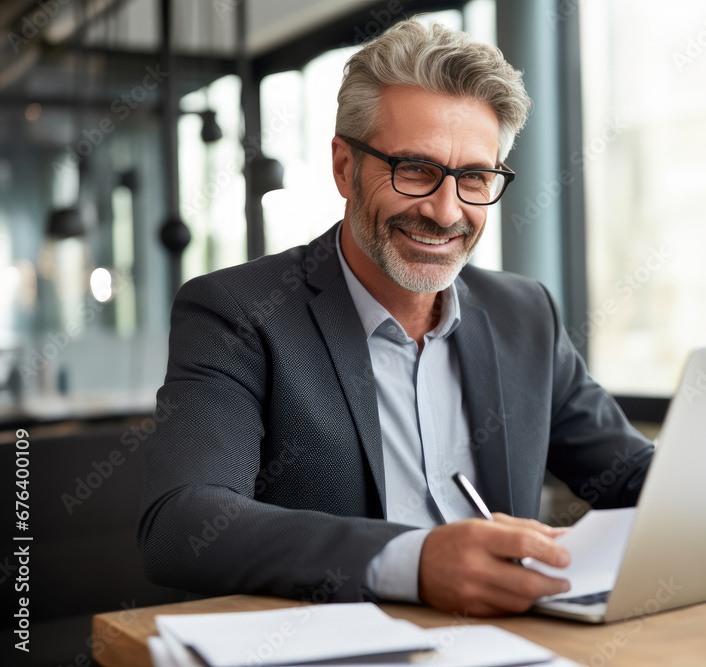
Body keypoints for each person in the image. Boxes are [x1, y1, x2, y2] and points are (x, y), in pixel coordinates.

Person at [137, 19, 653, 617]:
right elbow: (180, 524)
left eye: (476, 178)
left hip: (521, 642)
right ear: (343, 167)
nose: (445, 211)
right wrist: (413, 560)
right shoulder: (238, 312)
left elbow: (632, 476)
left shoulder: (524, 314)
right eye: (414, 170)